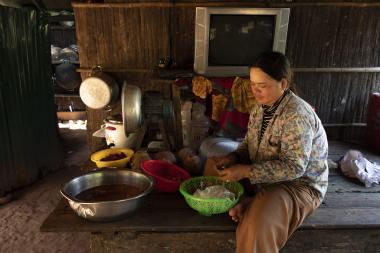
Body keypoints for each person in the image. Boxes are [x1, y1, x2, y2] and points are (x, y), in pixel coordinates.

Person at [206, 51, 328, 253]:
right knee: (213, 166)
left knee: (256, 226)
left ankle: (254, 206)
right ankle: (251, 202)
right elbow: (248, 146)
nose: (255, 90)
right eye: (253, 84)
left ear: (283, 84)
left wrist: (246, 172)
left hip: (298, 186)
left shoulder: (296, 115)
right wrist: (232, 158)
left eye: (262, 86)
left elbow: (294, 167)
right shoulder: (260, 108)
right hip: (267, 181)